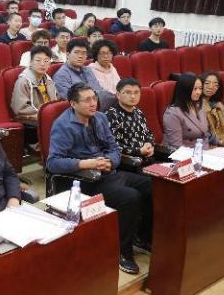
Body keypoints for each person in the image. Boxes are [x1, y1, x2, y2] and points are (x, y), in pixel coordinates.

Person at [47, 82, 153, 274]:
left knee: (151, 184)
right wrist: (86, 164)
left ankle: (142, 237)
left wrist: (110, 162)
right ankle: (123, 252)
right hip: (84, 180)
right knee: (130, 197)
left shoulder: (100, 118)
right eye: (87, 100)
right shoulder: (63, 125)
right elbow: (53, 163)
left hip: (107, 173)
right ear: (73, 104)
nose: (93, 103)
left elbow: (113, 148)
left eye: (94, 98)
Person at [53, 39, 116, 111]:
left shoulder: (88, 70)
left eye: (83, 53)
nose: (80, 56)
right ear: (67, 55)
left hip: (98, 107)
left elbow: (99, 90)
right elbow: (72, 100)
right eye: (76, 52)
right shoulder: (61, 76)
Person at [105, 78, 157, 162]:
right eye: (128, 92)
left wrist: (149, 144)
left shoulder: (138, 112)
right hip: (128, 162)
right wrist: (139, 151)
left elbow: (148, 132)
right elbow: (112, 144)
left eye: (136, 92)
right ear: (118, 95)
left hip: (146, 157)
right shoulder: (111, 115)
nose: (133, 96)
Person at [162, 74, 219, 150]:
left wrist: (218, 143)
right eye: (195, 89)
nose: (199, 92)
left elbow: (205, 133)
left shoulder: (199, 106)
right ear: (185, 90)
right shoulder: (172, 113)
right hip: (184, 153)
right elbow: (176, 146)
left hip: (203, 150)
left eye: (200, 88)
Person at [11, 46, 58, 125]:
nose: (42, 64)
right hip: (32, 119)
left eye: (46, 61)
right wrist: (44, 114)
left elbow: (56, 101)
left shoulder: (49, 81)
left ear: (49, 64)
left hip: (48, 115)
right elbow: (20, 108)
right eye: (38, 60)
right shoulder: (23, 82)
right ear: (31, 62)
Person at [202, 72, 224, 145]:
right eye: (207, 83)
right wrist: (219, 142)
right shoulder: (196, 105)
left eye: (215, 85)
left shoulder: (218, 105)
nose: (211, 87)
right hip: (206, 144)